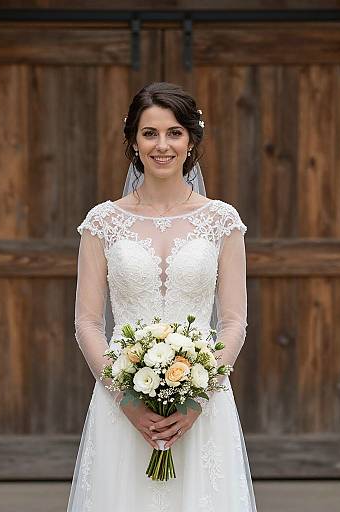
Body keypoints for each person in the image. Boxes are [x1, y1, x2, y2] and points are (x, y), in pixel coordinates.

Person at [67, 82, 257, 511]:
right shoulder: (103, 222)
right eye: (150, 133)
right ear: (133, 141)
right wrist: (127, 401)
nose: (162, 145)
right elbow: (87, 323)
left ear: (191, 140)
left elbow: (233, 323)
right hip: (122, 402)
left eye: (174, 132)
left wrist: (197, 400)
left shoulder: (222, 221)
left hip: (204, 404)